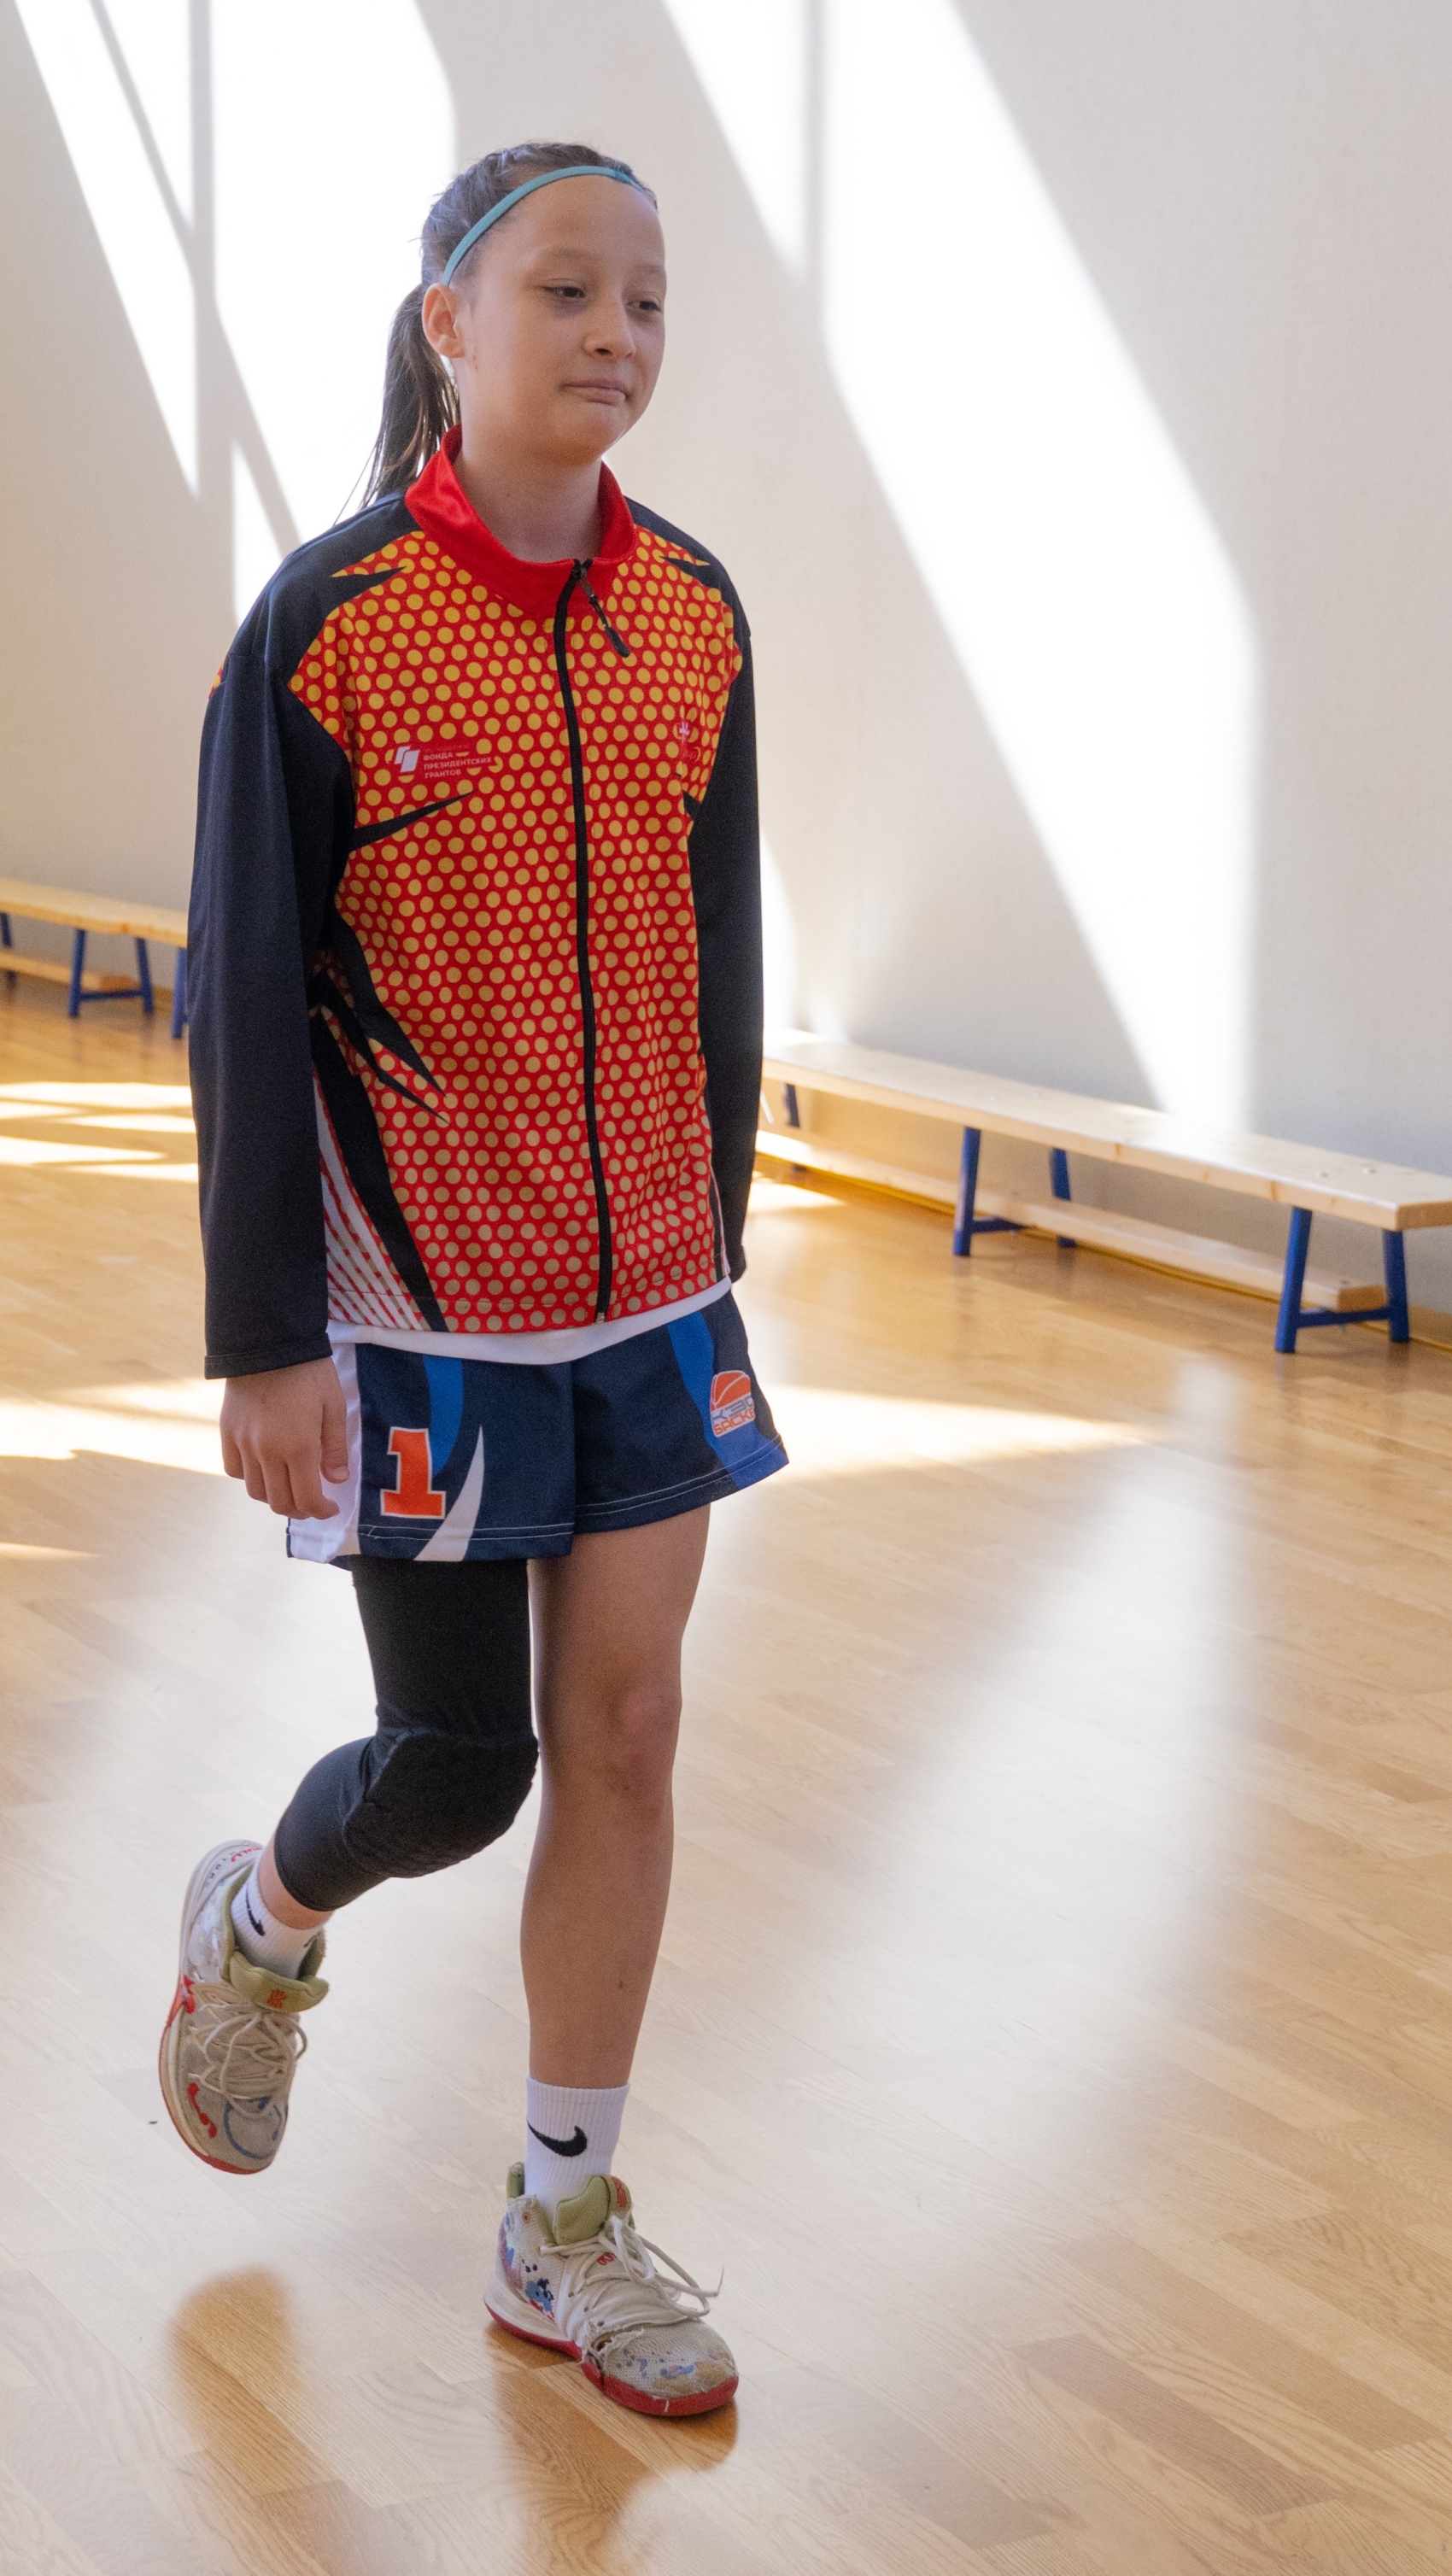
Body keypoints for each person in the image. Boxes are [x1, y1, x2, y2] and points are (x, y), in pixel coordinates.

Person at [162, 141, 784, 2420]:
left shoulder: (694, 610)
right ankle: (265, 1918)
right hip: (410, 1310)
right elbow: (239, 1001)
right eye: (568, 292)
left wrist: (713, 1242)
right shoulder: (326, 626)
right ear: (448, 323)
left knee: (628, 1737)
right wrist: (262, 1340)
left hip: (649, 1301)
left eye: (649, 299)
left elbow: (717, 948)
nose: (618, 333)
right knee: (462, 1767)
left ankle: (562, 2225)